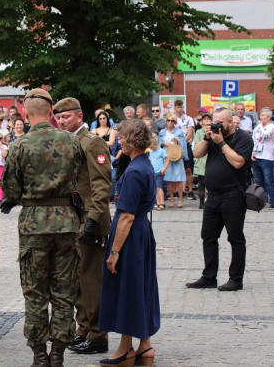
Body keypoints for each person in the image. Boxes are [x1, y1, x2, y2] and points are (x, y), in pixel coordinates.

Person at [0, 88, 84, 367]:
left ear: (25, 112)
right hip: (66, 222)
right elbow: (78, 175)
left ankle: (39, 356)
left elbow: (10, 189)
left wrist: (24, 196)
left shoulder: (19, 145)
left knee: (35, 292)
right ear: (51, 112)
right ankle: (58, 353)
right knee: (64, 291)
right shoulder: (72, 141)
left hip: (34, 223)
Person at [98, 119, 160, 367]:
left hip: (131, 235)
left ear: (133, 140)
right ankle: (145, 345)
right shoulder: (143, 165)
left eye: (122, 137)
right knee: (140, 286)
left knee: (127, 289)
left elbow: (126, 216)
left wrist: (114, 252)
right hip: (141, 233)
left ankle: (125, 350)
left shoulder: (135, 171)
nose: (119, 141)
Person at [53, 98, 112, 357]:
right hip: (71, 220)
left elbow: (101, 186)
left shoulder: (92, 142)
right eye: (59, 117)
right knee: (77, 279)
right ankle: (84, 329)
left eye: (66, 116)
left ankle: (98, 334)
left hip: (89, 221)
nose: (61, 121)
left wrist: (94, 220)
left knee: (91, 279)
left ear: (79, 116)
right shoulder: (66, 142)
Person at [187, 108, 253, 292]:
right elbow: (197, 154)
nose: (216, 126)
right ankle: (209, 277)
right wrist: (208, 138)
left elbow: (238, 162)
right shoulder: (213, 137)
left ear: (230, 122)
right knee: (208, 236)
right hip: (213, 196)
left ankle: (236, 279)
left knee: (235, 238)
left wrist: (221, 142)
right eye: (213, 122)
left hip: (233, 195)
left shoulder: (243, 139)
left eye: (220, 123)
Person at [251, 108, 274, 210]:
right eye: (260, 115)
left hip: (267, 158)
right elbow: (254, 139)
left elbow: (265, 135)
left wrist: (260, 126)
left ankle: (273, 201)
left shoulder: (273, 127)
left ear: (269, 117)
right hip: (256, 157)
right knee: (258, 181)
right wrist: (252, 153)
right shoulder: (258, 127)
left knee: (269, 181)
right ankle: (260, 200)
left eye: (263, 115)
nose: (261, 117)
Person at [159, 114, 187, 208]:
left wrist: (177, 140)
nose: (170, 122)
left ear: (175, 122)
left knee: (178, 179)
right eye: (168, 120)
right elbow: (159, 145)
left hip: (177, 157)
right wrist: (163, 143)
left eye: (172, 121)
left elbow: (183, 145)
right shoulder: (162, 132)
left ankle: (180, 199)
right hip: (167, 157)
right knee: (169, 180)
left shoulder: (179, 132)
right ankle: (171, 199)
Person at [193, 112, 212, 209]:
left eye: (209, 119)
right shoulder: (199, 132)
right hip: (201, 160)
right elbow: (196, 144)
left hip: (210, 159)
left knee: (211, 181)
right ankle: (201, 201)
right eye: (205, 119)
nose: (207, 121)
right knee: (202, 182)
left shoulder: (214, 131)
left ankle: (210, 199)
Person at [148, 135, 169, 211]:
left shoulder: (161, 151)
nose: (151, 148)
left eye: (152, 147)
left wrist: (164, 169)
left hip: (159, 171)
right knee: (155, 188)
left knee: (159, 188)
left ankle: (162, 202)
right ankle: (157, 202)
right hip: (153, 171)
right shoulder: (151, 151)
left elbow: (167, 160)